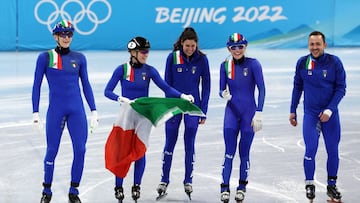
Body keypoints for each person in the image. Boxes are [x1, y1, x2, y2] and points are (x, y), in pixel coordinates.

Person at [104, 36, 194, 202]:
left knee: (139, 151)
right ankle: (118, 186)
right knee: (122, 151)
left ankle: (136, 186)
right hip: (126, 116)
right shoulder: (122, 70)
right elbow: (107, 91)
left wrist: (182, 96)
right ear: (133, 52)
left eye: (147, 51)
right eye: (143, 51)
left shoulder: (149, 71)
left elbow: (165, 87)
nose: (146, 54)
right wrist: (120, 98)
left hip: (143, 116)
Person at [32, 20, 99, 203]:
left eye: (70, 34)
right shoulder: (45, 58)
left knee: (81, 149)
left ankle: (73, 191)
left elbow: (86, 85)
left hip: (77, 110)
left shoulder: (79, 58)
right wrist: (35, 113)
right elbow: (36, 86)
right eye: (63, 34)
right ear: (55, 36)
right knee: (52, 149)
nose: (67, 38)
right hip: (56, 110)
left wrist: (94, 110)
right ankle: (47, 190)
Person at [289, 31, 346, 202]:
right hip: (311, 115)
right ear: (309, 45)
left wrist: (330, 110)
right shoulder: (302, 63)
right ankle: (309, 184)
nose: (314, 47)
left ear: (325, 45)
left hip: (330, 115)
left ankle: (331, 185)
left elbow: (341, 88)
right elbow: (297, 87)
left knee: (333, 151)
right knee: (310, 149)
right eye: (312, 44)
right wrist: (293, 110)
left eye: (318, 44)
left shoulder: (334, 62)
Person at [156, 27, 211, 199]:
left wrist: (203, 111)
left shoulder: (202, 60)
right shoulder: (172, 58)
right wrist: (169, 106)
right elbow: (167, 85)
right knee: (170, 142)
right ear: (181, 43)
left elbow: (207, 86)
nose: (190, 49)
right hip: (174, 105)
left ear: (196, 45)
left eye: (193, 46)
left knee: (190, 143)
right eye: (187, 46)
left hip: (192, 109)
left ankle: (188, 180)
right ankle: (164, 179)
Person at [218, 33, 265, 203]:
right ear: (228, 48)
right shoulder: (225, 65)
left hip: (249, 114)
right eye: (233, 47)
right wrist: (223, 94)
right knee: (229, 152)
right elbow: (221, 89)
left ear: (245, 47)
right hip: (231, 113)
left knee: (244, 153)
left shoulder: (254, 64)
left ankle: (242, 186)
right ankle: (224, 187)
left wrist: (259, 112)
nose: (237, 50)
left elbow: (262, 89)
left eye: (240, 47)